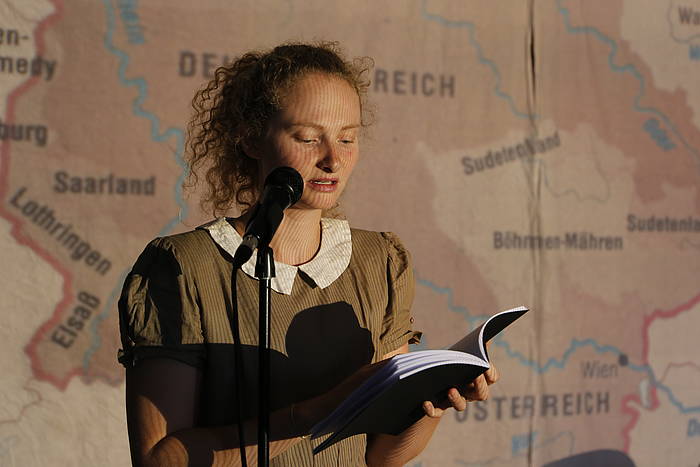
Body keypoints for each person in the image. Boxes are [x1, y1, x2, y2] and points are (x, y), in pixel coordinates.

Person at [118, 41, 499, 467]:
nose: (333, 159)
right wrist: (319, 412)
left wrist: (431, 404)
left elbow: (380, 457)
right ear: (251, 138)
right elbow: (157, 459)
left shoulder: (380, 261)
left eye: (347, 138)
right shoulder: (182, 267)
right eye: (308, 138)